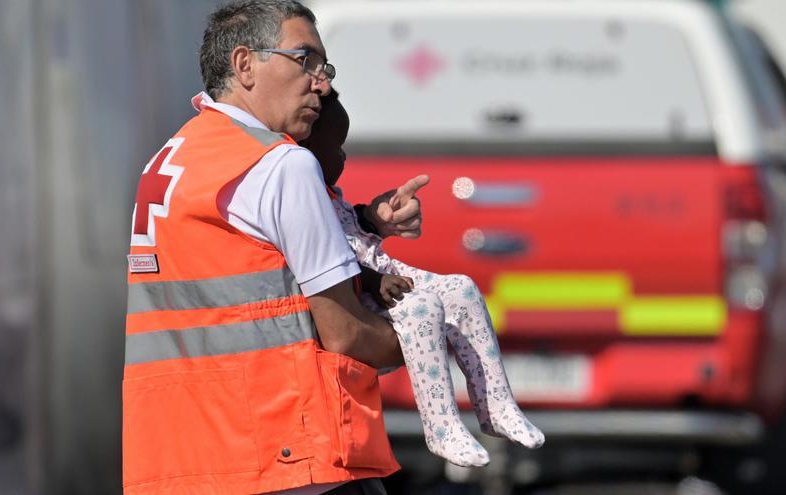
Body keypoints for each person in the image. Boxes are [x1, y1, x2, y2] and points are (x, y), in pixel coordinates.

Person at [122, 2, 424, 494]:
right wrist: (428, 339)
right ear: (245, 65)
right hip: (284, 460)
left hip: (183, 461)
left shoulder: (173, 156)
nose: (320, 82)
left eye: (323, 67)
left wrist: (367, 220)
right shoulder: (282, 163)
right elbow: (345, 334)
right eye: (304, 60)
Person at [300, 91, 545, 468]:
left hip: (382, 274)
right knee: (422, 308)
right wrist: (369, 280)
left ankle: (495, 404)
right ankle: (441, 427)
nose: (345, 157)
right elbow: (322, 258)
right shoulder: (301, 193)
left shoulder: (330, 194)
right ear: (309, 147)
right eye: (339, 147)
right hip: (360, 294)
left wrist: (373, 220)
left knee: (462, 288)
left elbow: (352, 230)